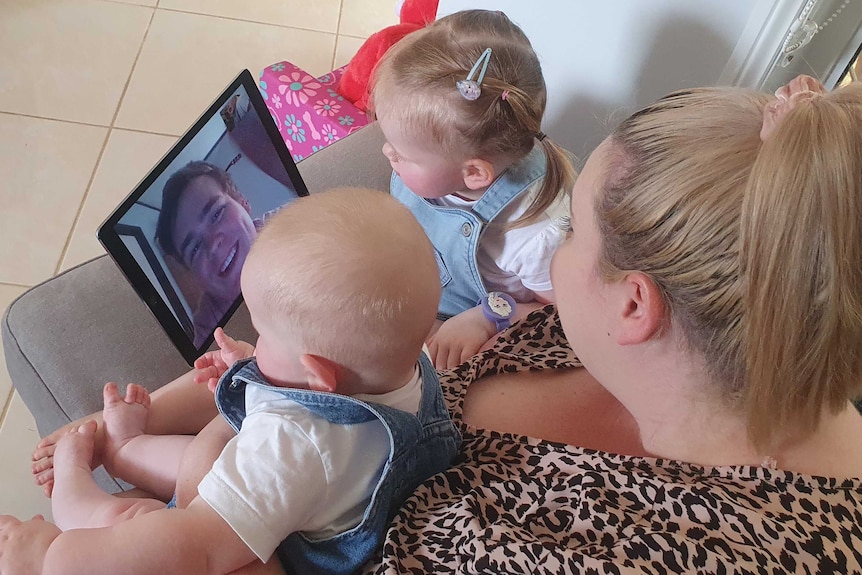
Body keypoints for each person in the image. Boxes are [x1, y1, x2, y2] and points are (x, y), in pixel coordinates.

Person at [17, 74, 862, 574]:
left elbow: (216, 542)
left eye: (572, 232)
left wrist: (50, 556)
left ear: (635, 305)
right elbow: (331, 352)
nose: (548, 252)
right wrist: (124, 425)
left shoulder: (679, 543)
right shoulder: (589, 333)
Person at [9, 187, 459, 575]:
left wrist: (55, 559)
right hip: (324, 493)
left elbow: (193, 547)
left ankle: (67, 501)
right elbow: (280, 455)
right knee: (221, 457)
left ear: (316, 375)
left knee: (136, 516)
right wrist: (257, 361)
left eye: (262, 336)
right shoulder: (403, 355)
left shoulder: (296, 444)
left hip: (282, 541)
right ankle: (126, 450)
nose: (255, 344)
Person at [370, 9, 576, 369]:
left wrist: (487, 318)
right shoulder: (447, 164)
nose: (388, 153)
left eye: (402, 153)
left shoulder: (536, 233)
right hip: (416, 282)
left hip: (476, 322)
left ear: (475, 173)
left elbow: (560, 314)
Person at [156, 160, 277, 348]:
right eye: (194, 248)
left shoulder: (288, 222)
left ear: (242, 202)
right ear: (193, 274)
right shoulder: (208, 326)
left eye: (216, 214)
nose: (212, 245)